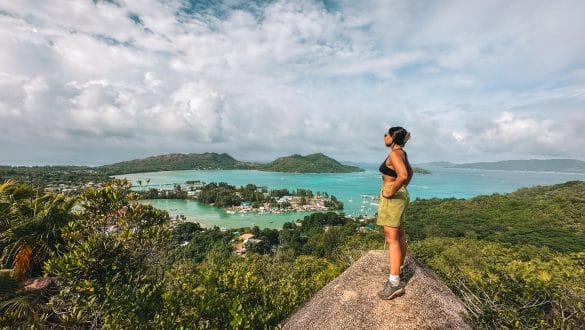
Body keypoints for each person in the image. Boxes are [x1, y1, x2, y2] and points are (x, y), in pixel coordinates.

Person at [376, 126, 413, 300]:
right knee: (400, 235)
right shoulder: (401, 152)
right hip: (400, 194)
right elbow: (409, 173)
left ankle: (394, 282)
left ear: (392, 138)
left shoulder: (394, 154)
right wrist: (402, 189)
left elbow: (404, 175)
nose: (384, 136)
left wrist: (391, 191)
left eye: (386, 134)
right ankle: (398, 270)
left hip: (393, 195)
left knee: (392, 238)